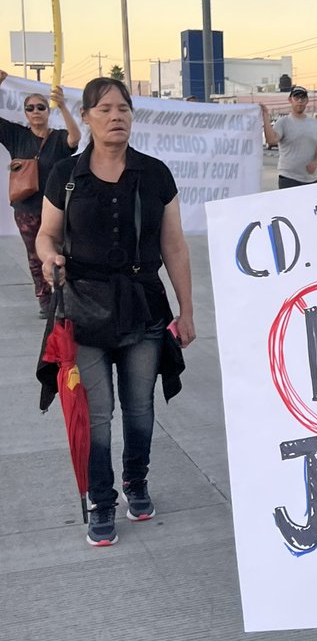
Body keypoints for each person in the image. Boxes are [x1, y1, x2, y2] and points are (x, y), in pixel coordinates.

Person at [35, 77, 196, 547]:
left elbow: (174, 246)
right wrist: (48, 257)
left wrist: (187, 311)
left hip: (143, 305)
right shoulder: (65, 174)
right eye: (104, 109)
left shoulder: (155, 174)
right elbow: (46, 234)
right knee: (97, 412)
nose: (115, 116)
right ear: (86, 117)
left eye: (123, 108)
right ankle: (101, 500)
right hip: (83, 308)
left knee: (140, 406)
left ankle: (136, 480)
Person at [0, 70, 80, 317]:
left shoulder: (59, 138)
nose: (36, 111)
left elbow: (75, 138)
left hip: (56, 207)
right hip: (27, 208)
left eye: (41, 107)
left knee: (63, 252)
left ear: (48, 111)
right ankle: (45, 299)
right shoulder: (17, 135)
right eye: (30, 108)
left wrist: (63, 106)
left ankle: (65, 295)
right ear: (25, 113)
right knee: (35, 256)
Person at [261, 86, 317, 188]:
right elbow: (271, 140)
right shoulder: (283, 122)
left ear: (307, 101)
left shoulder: (315, 123)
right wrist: (265, 116)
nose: (300, 101)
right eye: (296, 98)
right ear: (290, 100)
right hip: (288, 178)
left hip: (311, 180)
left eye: (303, 98)